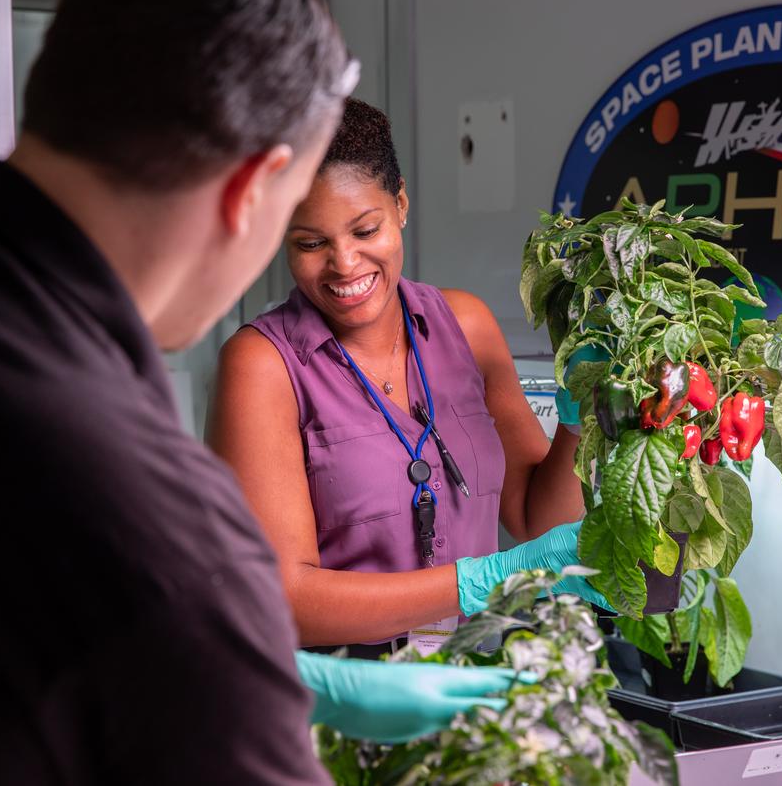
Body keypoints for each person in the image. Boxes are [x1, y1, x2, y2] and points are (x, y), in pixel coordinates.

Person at [0, 0, 531, 783]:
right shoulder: (134, 496)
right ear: (251, 195)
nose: (342, 265)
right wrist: (237, 676)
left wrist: (274, 673)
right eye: (303, 231)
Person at [207, 98, 605, 655]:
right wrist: (478, 581)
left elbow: (539, 525)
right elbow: (280, 599)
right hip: (346, 704)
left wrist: (580, 421)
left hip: (478, 686)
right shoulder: (262, 365)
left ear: (400, 205)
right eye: (310, 243)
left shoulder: (465, 326)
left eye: (364, 229)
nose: (345, 264)